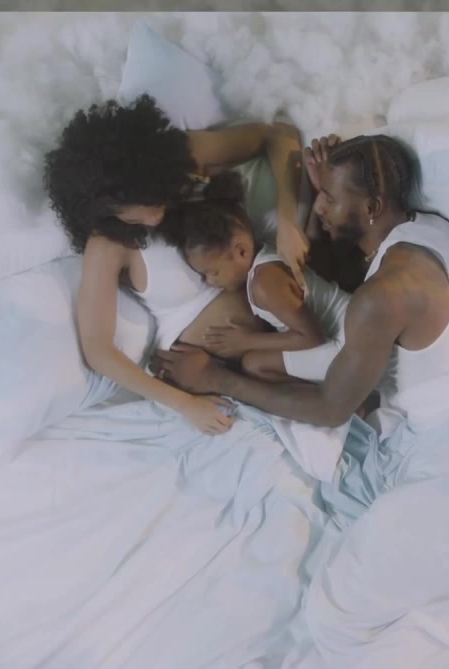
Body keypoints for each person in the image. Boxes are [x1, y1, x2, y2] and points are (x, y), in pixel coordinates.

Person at [152, 133, 449, 428]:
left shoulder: (383, 295)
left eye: (329, 198)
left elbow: (330, 410)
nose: (318, 208)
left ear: (371, 208)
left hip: (441, 423)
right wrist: (327, 193)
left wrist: (214, 378)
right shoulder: (428, 229)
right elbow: (343, 272)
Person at [42, 95, 311, 436]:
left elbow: (278, 135)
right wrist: (185, 405)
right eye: (135, 214)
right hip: (222, 371)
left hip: (289, 326)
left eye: (157, 198)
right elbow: (98, 350)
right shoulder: (107, 247)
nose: (155, 217)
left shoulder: (184, 160)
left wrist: (288, 220)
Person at [158, 176, 352, 386]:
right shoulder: (265, 261)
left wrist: (246, 340)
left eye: (212, 272)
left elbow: (313, 337)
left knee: (255, 364)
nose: (209, 281)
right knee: (255, 362)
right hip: (340, 335)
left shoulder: (264, 282)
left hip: (349, 340)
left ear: (241, 251)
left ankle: (335, 393)